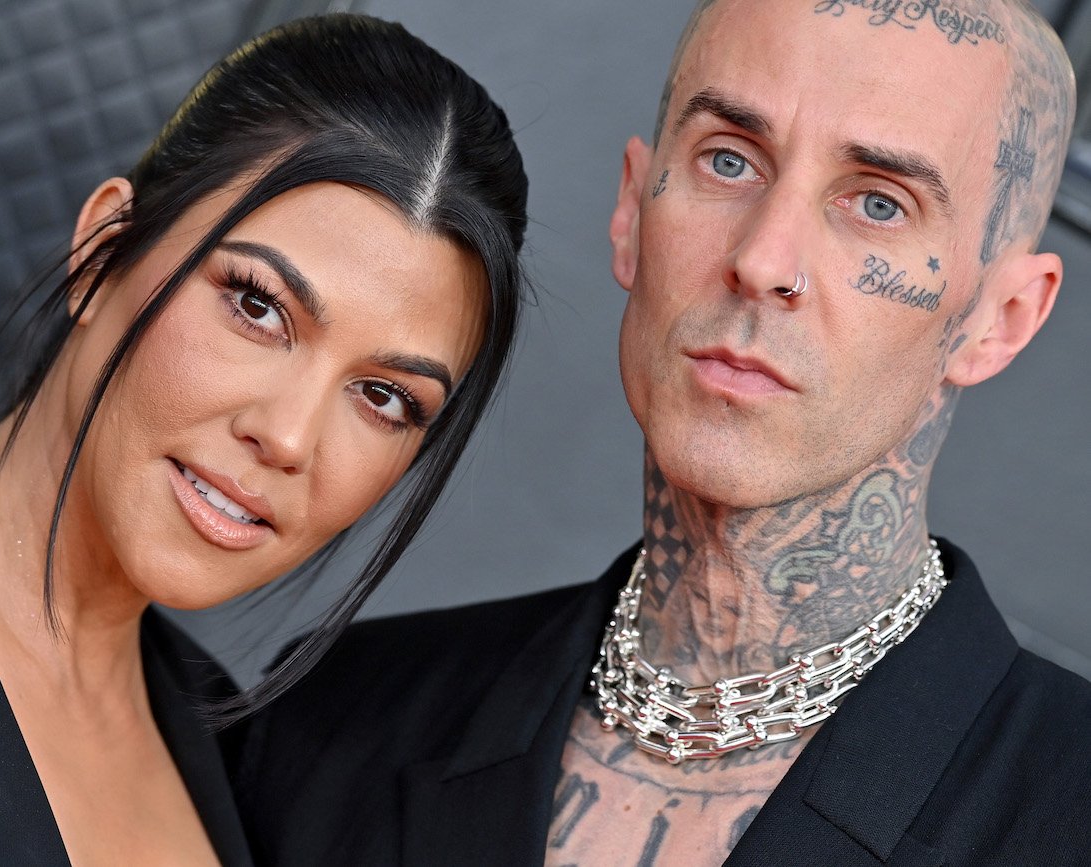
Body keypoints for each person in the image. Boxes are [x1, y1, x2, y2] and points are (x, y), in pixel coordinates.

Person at [226, 1, 1091, 864]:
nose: (761, 260)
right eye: (728, 159)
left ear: (1002, 318)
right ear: (632, 210)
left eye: (878, 202)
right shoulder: (330, 717)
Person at [0, 13, 528, 865]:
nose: (288, 436)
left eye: (384, 397)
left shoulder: (242, 769)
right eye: (258, 306)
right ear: (104, 252)